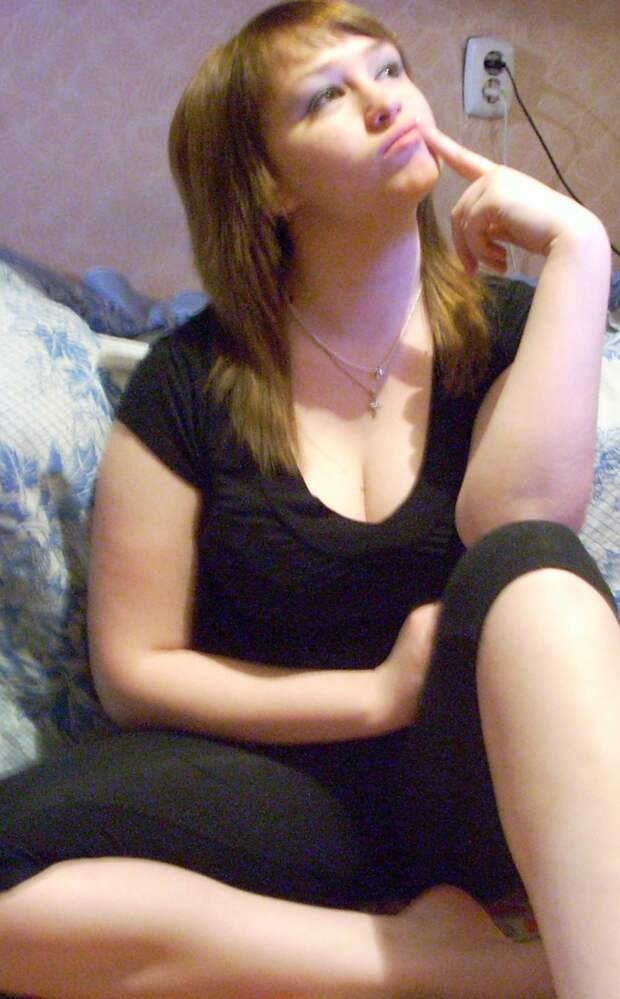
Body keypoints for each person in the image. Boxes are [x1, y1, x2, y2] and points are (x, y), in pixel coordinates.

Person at [0, 2, 618, 996]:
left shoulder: (508, 329)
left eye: (389, 69)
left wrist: (580, 250)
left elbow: (517, 528)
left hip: (487, 780)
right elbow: (134, 670)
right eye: (327, 96)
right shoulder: (187, 380)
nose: (384, 100)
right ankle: (456, 968)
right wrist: (374, 694)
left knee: (532, 571)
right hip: (289, 784)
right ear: (270, 185)